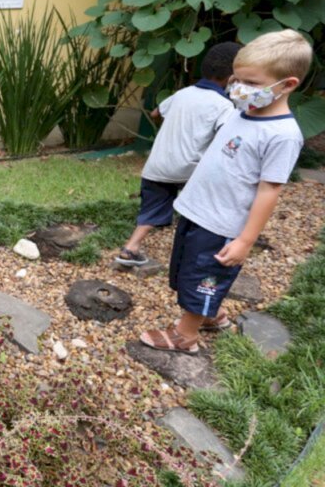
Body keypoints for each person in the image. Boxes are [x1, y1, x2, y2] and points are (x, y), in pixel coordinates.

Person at [140, 30, 310, 354]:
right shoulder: (239, 113)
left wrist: (245, 241)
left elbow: (268, 191)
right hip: (196, 210)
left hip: (221, 226)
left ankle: (185, 336)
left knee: (203, 275)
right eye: (237, 80)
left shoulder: (282, 135)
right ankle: (211, 312)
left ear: (288, 85)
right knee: (186, 273)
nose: (240, 89)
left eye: (252, 83)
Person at [115, 42, 241, 266]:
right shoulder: (223, 106)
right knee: (208, 203)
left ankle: (130, 248)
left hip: (158, 166)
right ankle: (203, 249)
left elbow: (155, 112)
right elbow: (226, 137)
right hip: (189, 170)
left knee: (152, 208)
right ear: (232, 78)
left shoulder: (183, 94)